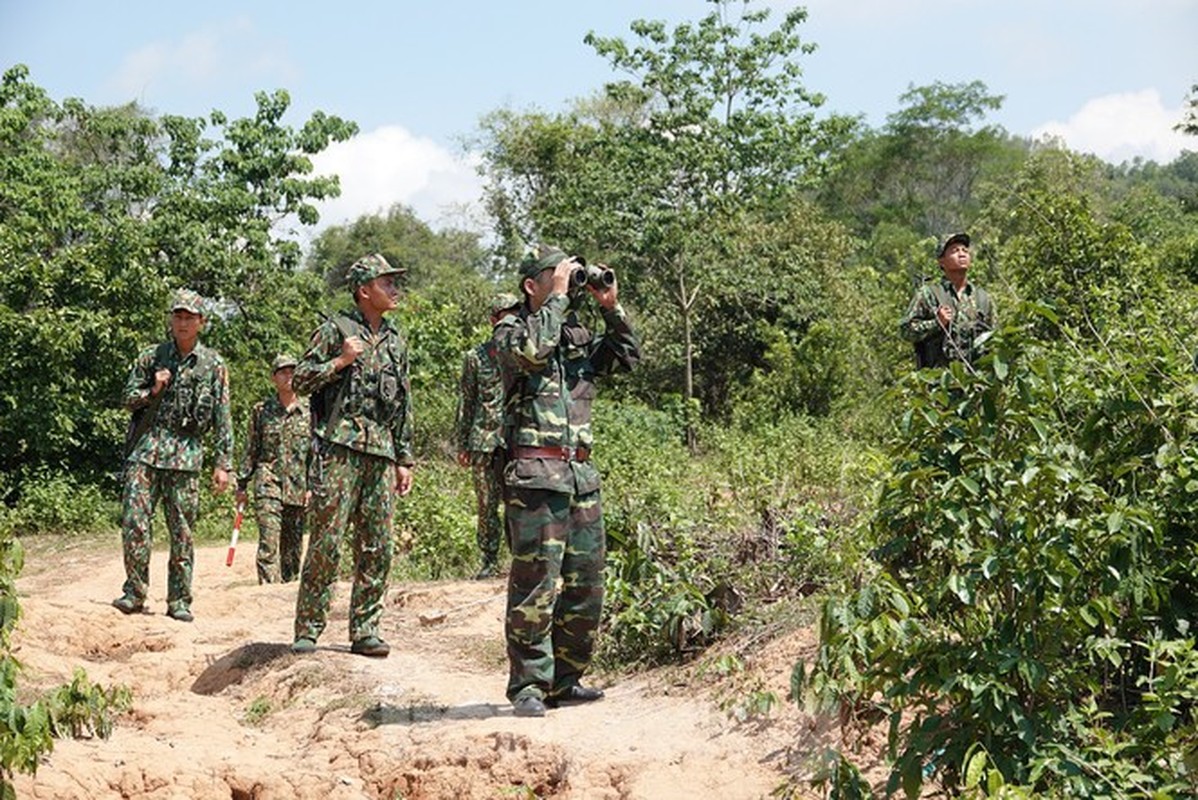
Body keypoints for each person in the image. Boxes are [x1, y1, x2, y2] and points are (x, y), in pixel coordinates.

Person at [494, 245, 640, 717]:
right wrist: (557, 297)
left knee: (586, 584)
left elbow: (630, 356)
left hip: (580, 477)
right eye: (552, 276)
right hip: (536, 477)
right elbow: (532, 352)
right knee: (536, 584)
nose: (565, 282)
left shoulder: (575, 334)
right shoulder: (511, 329)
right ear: (531, 286)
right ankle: (529, 686)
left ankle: (565, 679)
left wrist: (609, 305)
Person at [290, 253, 415, 658]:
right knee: (327, 540)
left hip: (380, 450)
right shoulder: (335, 330)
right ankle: (308, 628)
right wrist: (341, 361)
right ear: (365, 290)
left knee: (378, 543)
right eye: (386, 283)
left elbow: (403, 404)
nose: (394, 289)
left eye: (395, 282)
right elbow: (299, 380)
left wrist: (404, 458)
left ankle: (366, 629)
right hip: (339, 448)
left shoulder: (396, 342)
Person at [113, 288, 233, 622]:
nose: (182, 323)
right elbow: (126, 398)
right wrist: (153, 390)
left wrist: (224, 464)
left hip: (186, 454)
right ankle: (134, 593)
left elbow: (223, 416)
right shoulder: (151, 357)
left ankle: (179, 599)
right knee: (135, 523)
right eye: (177, 316)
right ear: (171, 320)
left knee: (182, 531)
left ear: (201, 322)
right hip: (146, 450)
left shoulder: (213, 364)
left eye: (189, 317)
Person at [454, 292, 522, 579]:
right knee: (486, 504)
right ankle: (489, 560)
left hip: (518, 440)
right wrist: (462, 443)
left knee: (518, 502)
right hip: (483, 440)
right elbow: (466, 402)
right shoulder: (476, 357)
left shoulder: (524, 353)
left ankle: (522, 560)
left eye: (514, 314)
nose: (509, 319)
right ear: (493, 319)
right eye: (503, 314)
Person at [236, 354, 310, 584]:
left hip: (298, 486)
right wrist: (241, 484)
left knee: (292, 548)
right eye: (283, 372)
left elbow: (317, 454)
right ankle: (267, 590)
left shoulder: (310, 412)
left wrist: (314, 487)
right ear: (274, 378)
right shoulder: (262, 411)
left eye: (292, 371)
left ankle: (287, 593)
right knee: (269, 542)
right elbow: (252, 448)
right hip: (268, 482)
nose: (288, 376)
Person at [900, 232, 996, 369]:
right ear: (941, 261)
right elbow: (905, 330)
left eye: (965, 251)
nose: (962, 254)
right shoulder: (929, 294)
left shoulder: (983, 298)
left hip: (976, 383)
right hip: (940, 384)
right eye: (955, 251)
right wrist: (936, 323)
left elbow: (994, 340)